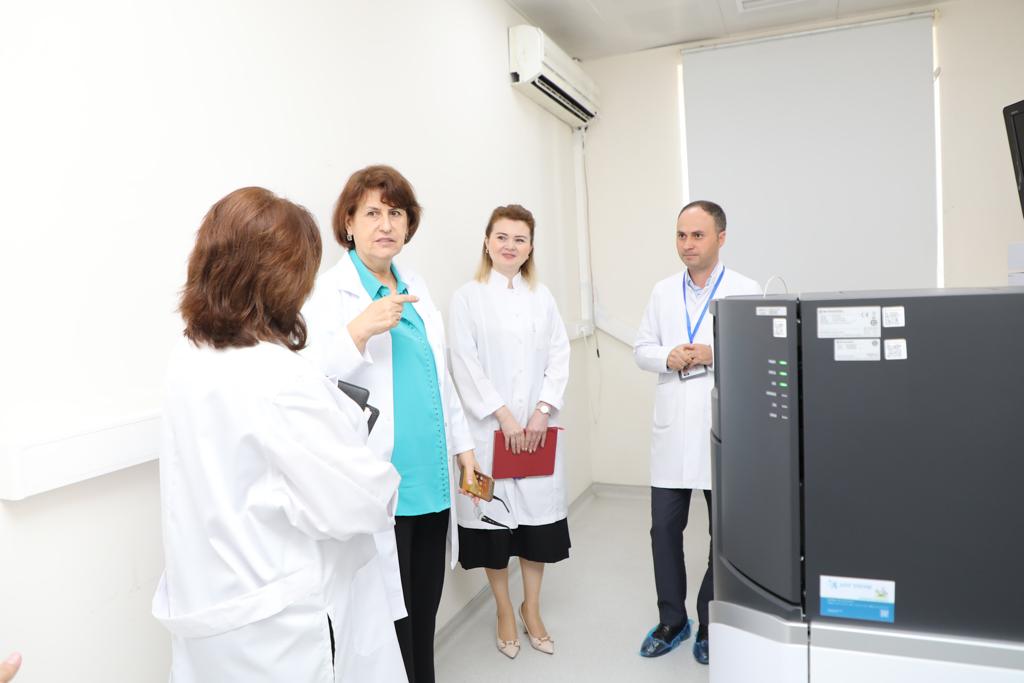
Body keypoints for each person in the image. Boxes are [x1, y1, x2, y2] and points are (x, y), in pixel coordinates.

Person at [152, 187, 407, 682]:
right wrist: (352, 431)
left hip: (211, 614)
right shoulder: (276, 376)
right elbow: (362, 501)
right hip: (280, 629)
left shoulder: (188, 356)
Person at [301, 165, 479, 683]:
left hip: (432, 482)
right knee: (385, 625)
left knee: (423, 613)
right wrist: (356, 333)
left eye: (396, 213)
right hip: (381, 486)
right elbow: (307, 382)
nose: (386, 224)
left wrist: (464, 449)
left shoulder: (414, 286)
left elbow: (439, 378)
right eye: (372, 212)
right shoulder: (328, 295)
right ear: (348, 223)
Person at [633, 200, 759, 665]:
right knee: (663, 530)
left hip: (720, 430)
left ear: (720, 238)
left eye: (697, 235)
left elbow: (760, 352)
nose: (687, 244)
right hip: (672, 432)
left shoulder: (745, 289)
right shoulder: (662, 291)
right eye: (681, 235)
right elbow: (641, 348)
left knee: (722, 534)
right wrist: (667, 356)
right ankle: (672, 620)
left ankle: (709, 623)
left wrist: (713, 352)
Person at [448, 205, 571, 659]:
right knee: (493, 528)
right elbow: (463, 363)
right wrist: (503, 415)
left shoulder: (542, 297)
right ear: (487, 241)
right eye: (501, 236)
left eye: (519, 239)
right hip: (487, 434)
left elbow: (559, 355)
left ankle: (530, 608)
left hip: (536, 433)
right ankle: (503, 609)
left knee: (537, 527)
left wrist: (541, 412)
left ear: (530, 247)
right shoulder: (467, 298)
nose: (509, 245)